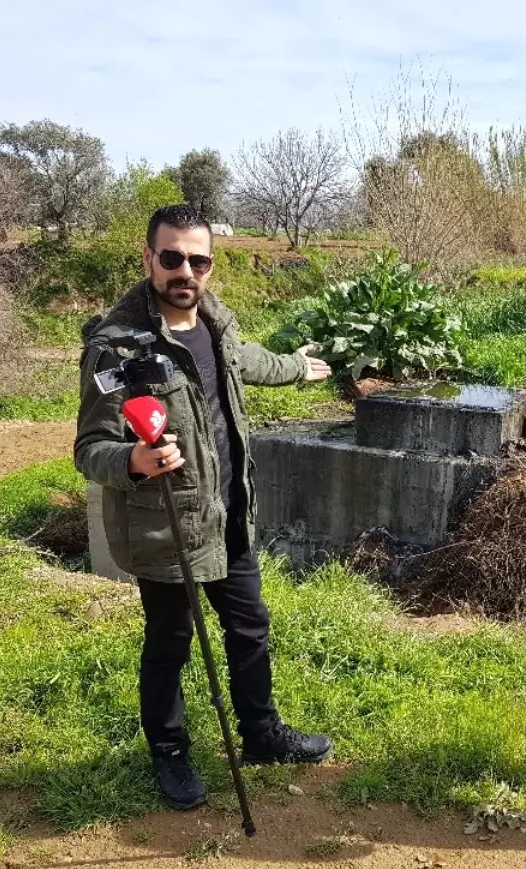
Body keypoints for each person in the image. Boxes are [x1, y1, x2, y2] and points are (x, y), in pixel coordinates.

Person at [75, 204, 333, 811]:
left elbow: (249, 363)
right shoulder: (117, 349)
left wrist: (298, 367)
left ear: (211, 266)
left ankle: (262, 734)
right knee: (169, 640)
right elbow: (91, 449)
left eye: (197, 259)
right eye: (171, 258)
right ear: (149, 259)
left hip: (228, 513)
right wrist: (132, 462)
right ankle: (169, 755)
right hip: (165, 524)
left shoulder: (217, 324)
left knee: (249, 628)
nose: (184, 271)